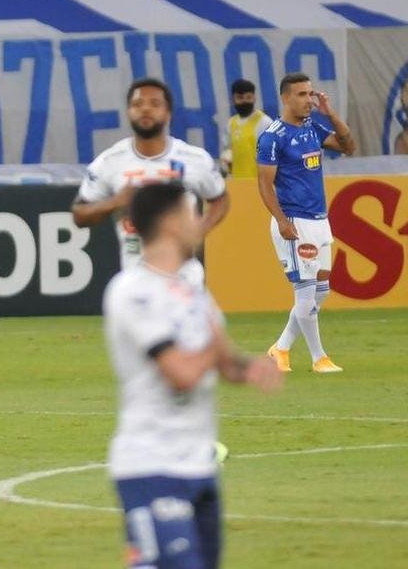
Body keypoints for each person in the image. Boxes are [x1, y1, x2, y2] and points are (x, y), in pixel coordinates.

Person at [104, 183, 283, 569]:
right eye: (191, 215)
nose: (200, 224)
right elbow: (182, 373)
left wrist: (249, 367)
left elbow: (223, 363)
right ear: (169, 223)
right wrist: (215, 347)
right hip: (151, 465)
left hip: (199, 465)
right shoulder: (133, 292)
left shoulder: (194, 291)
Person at [72, 77, 230, 287]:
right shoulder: (110, 162)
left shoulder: (194, 159)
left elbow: (220, 198)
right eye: (138, 104)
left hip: (185, 278)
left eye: (155, 104)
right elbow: (79, 214)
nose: (145, 109)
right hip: (136, 279)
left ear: (168, 113)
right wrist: (114, 203)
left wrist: (199, 231)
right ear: (128, 111)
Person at [259, 73, 356, 374]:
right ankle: (319, 358)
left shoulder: (312, 128)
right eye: (302, 94)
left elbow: (348, 146)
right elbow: (264, 184)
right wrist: (281, 220)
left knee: (322, 290)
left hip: (319, 220)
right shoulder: (273, 136)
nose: (309, 100)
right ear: (286, 98)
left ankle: (281, 348)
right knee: (305, 291)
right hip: (294, 221)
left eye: (311, 94)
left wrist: (331, 113)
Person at [219, 78, 273, 178]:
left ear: (254, 98)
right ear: (233, 100)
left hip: (258, 183)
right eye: (240, 98)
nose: (244, 101)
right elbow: (226, 151)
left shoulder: (264, 122)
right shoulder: (231, 123)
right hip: (237, 182)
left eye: (248, 97)